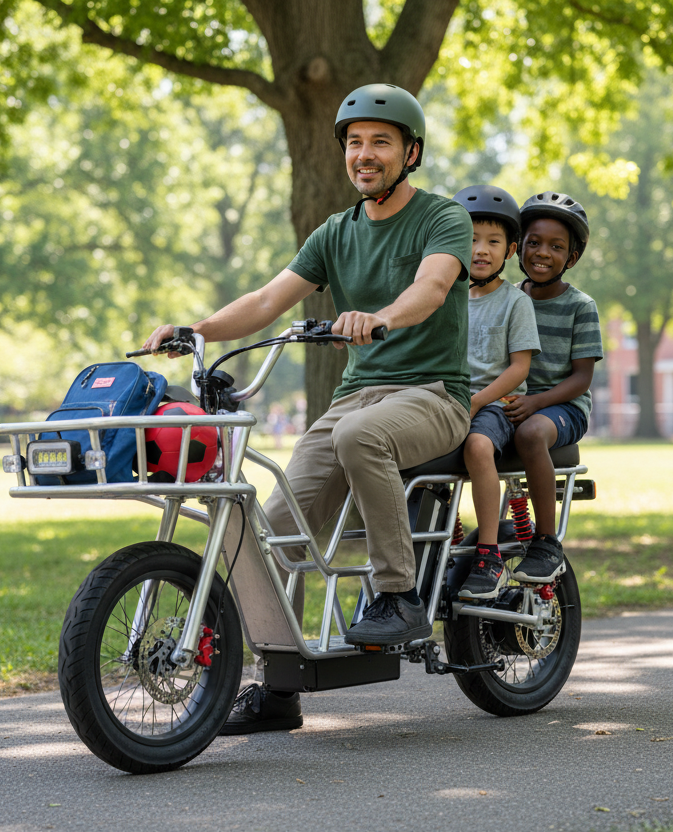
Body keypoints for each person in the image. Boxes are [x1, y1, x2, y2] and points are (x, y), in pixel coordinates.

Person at [142, 83, 473, 733]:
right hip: (355, 400)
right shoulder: (335, 232)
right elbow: (268, 301)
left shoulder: (442, 218)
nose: (365, 154)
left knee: (360, 438)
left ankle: (398, 595)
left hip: (432, 394)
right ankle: (278, 687)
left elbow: (432, 289)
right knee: (274, 535)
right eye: (355, 143)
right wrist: (197, 330)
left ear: (411, 152)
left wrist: (379, 319)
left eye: (381, 141)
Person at [502, 192, 604, 583]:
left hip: (564, 407)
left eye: (556, 247)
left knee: (531, 433)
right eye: (534, 242)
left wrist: (536, 403)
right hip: (514, 400)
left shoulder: (580, 306)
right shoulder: (506, 298)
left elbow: (582, 378)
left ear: (571, 258)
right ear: (518, 248)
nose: (542, 253)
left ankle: (546, 543)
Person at [451, 185, 540, 599]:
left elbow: (519, 367)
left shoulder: (514, 302)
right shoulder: (446, 299)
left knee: (477, 447)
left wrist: (478, 400)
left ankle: (487, 553)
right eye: (469, 239)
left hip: (496, 405)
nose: (480, 250)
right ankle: (432, 544)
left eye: (492, 241)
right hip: (449, 400)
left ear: (509, 250)